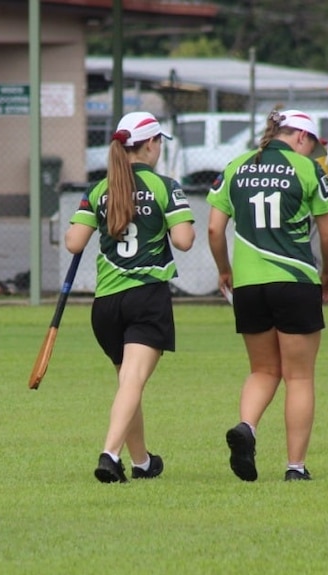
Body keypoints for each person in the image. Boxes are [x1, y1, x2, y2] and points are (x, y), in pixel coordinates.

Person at [206, 108, 328, 482]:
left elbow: (215, 231)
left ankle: (246, 427)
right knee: (298, 378)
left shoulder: (234, 166)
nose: (312, 152)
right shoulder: (307, 170)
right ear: (300, 137)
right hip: (295, 282)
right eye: (312, 145)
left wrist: (224, 270)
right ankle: (295, 468)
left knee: (263, 370)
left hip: (249, 286)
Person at [65, 111, 195, 483]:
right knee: (133, 381)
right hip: (146, 298)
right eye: (158, 144)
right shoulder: (165, 187)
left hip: (105, 304)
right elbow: (184, 241)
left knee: (128, 383)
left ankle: (142, 463)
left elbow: (74, 242)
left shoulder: (99, 189)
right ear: (151, 144)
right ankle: (109, 454)